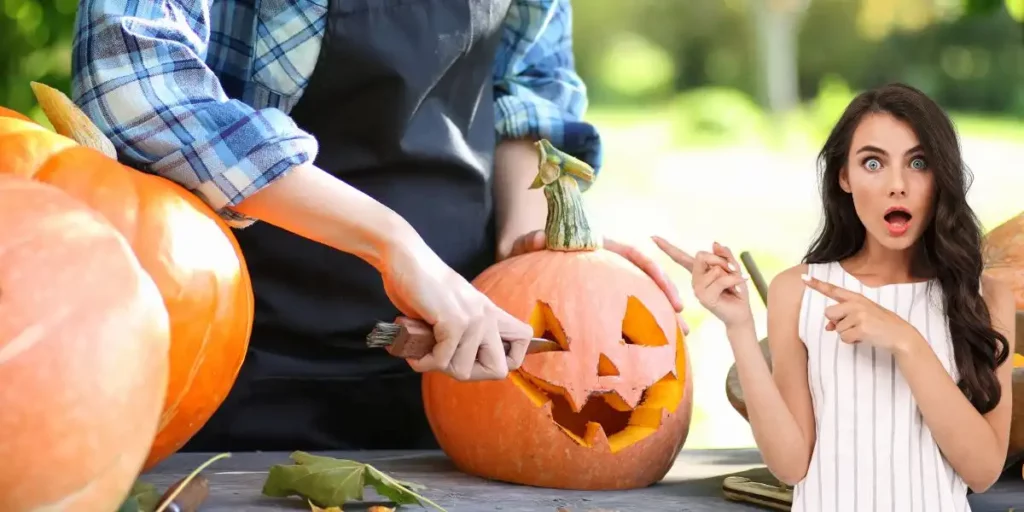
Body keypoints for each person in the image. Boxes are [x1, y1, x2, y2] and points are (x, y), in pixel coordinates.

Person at [70, 0, 683, 452]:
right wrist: (394, 244)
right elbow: (136, 87)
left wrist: (525, 263)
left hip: (457, 368)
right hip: (232, 362)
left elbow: (531, 90)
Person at [654, 83, 1016, 511]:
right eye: (873, 163)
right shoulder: (798, 291)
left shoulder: (984, 297)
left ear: (942, 177)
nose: (897, 185)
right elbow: (791, 465)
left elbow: (983, 470)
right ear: (844, 176)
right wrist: (740, 328)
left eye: (918, 162)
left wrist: (906, 342)